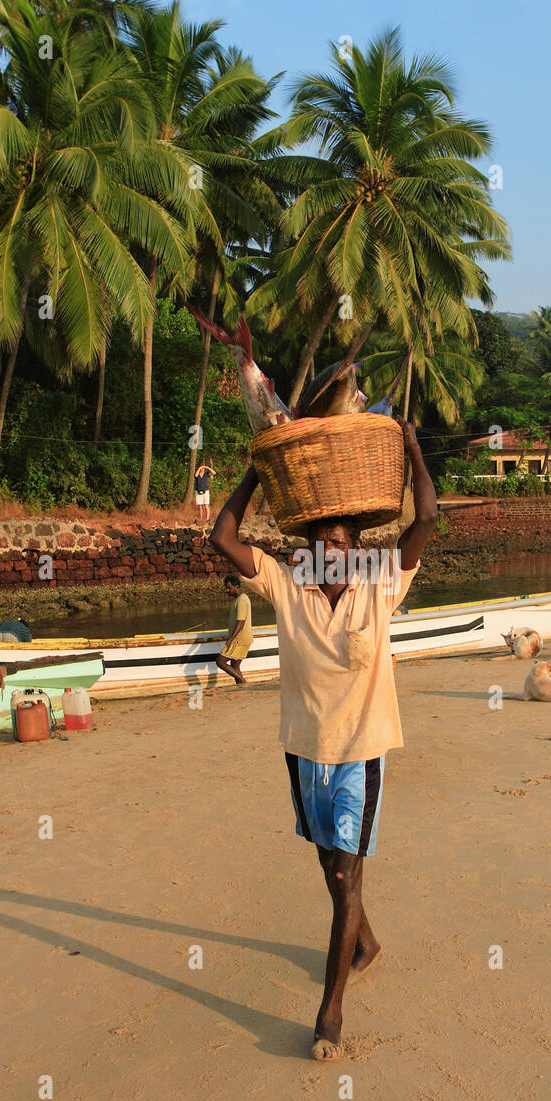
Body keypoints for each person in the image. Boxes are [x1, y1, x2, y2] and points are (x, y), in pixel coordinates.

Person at [210, 419, 437, 1062]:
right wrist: (258, 466)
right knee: (328, 866)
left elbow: (425, 517)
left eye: (338, 542)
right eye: (318, 542)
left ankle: (329, 1010)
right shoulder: (285, 587)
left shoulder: (380, 584)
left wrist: (414, 446)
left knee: (345, 871)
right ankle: (363, 943)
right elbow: (222, 537)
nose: (329, 552)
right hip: (304, 749)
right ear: (304, 549)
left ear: (357, 547)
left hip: (360, 754)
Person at [215, 574, 253, 685]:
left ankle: (242, 681)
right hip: (243, 638)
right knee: (235, 667)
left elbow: (240, 622)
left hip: (238, 639)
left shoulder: (241, 600)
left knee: (220, 661)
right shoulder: (238, 599)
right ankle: (241, 687)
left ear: (237, 586)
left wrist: (231, 639)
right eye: (226, 588)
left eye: (229, 588)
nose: (227, 590)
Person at [194, 459, 216, 528]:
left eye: (203, 468)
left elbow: (214, 473)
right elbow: (195, 475)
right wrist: (200, 468)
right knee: (200, 506)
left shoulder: (206, 474)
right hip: (198, 491)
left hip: (205, 491)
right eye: (201, 468)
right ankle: (201, 519)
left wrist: (207, 468)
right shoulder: (197, 473)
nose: (202, 469)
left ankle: (207, 519)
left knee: (206, 505)